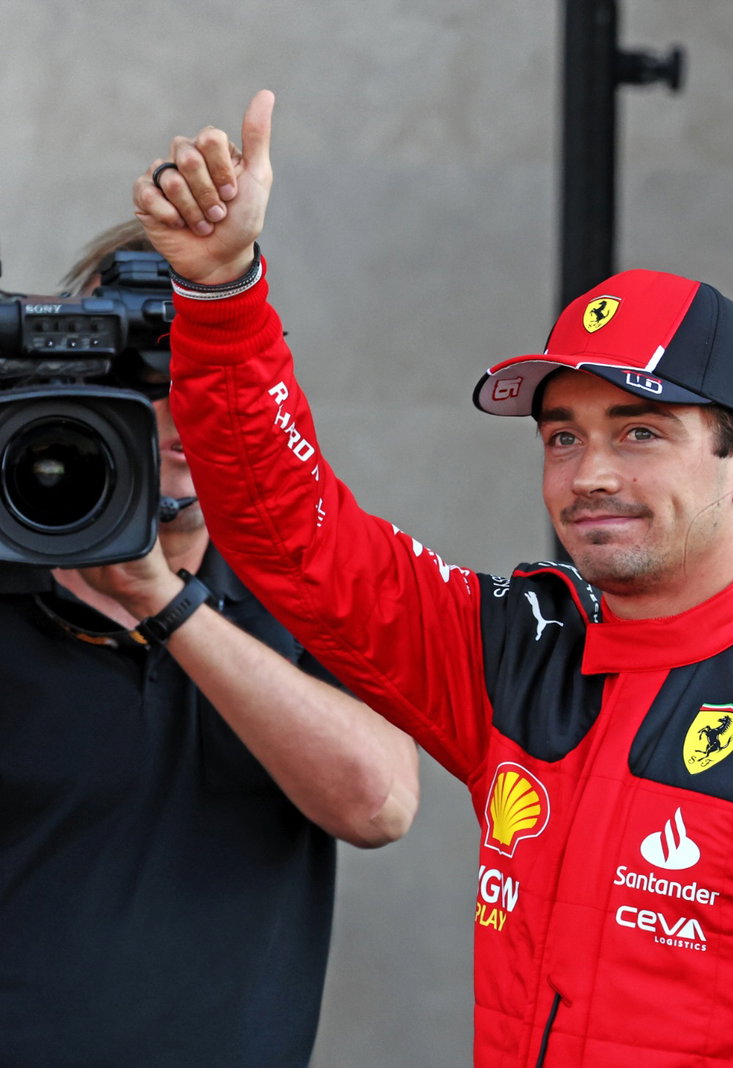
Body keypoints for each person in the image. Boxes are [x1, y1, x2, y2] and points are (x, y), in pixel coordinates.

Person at [128, 90, 733, 1066]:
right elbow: (291, 535)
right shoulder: (522, 652)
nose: (592, 475)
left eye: (641, 433)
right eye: (562, 437)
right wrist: (221, 289)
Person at [0, 220, 421, 1065]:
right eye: (144, 374)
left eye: (208, 371)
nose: (180, 405)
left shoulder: (308, 576)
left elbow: (379, 805)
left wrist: (166, 603)